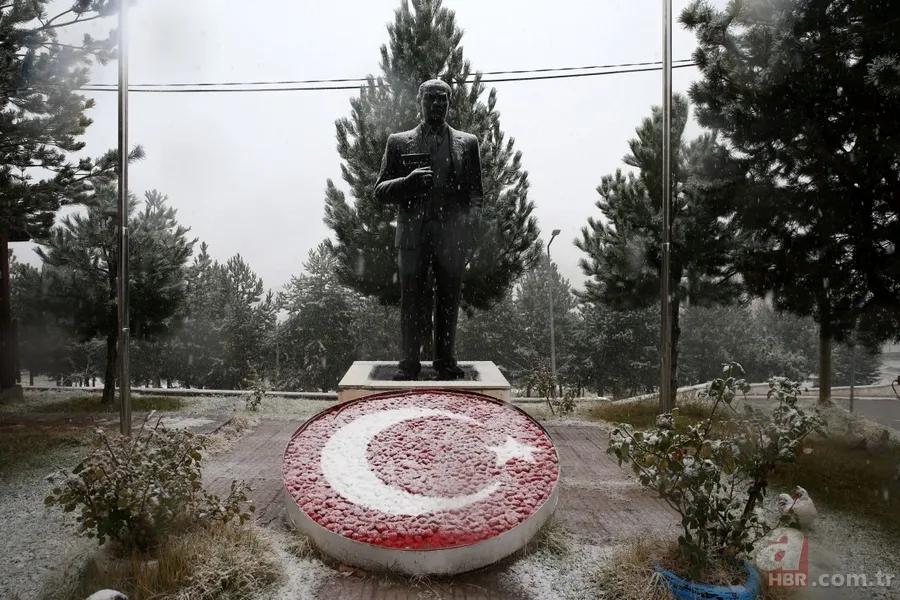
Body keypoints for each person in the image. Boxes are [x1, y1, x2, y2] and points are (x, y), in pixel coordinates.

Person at [374, 79, 484, 381]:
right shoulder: (398, 142)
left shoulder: (467, 142)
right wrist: (407, 182)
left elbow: (476, 194)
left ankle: (445, 361)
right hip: (412, 237)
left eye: (443, 99)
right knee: (411, 301)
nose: (437, 104)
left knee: (449, 301)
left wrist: (469, 229)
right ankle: (408, 363)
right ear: (419, 102)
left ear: (449, 103)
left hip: (452, 238)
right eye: (431, 98)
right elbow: (380, 190)